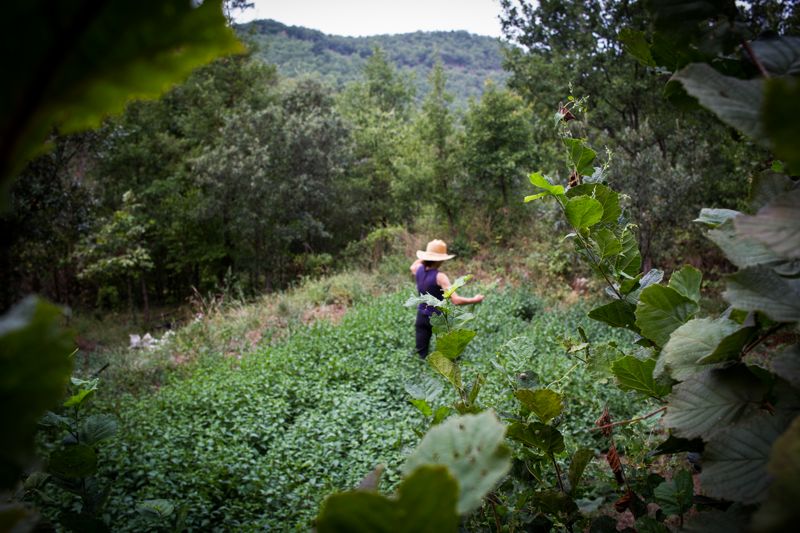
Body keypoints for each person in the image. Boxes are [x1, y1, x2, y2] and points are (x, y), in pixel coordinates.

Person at [410, 239, 484, 358]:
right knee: (450, 353)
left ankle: (422, 370)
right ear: (442, 259)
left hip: (421, 317)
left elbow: (413, 266)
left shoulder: (418, 270)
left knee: (421, 354)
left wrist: (426, 255)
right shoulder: (440, 277)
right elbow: (455, 300)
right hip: (439, 319)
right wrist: (475, 299)